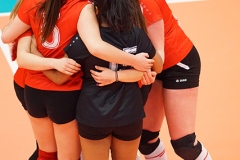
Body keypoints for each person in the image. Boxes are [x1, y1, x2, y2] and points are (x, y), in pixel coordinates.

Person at [2, 0, 155, 160]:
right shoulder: (83, 8)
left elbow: (7, 37)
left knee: (46, 153)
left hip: (31, 87)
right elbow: (95, 46)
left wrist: (30, 41)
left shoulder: (33, 2)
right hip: (66, 93)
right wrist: (134, 62)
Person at [63, 0, 163, 159]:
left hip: (93, 113)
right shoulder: (136, 34)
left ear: (97, 10)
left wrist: (33, 53)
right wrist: (137, 65)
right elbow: (157, 66)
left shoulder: (86, 40)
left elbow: (61, 76)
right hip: (129, 113)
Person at [138, 0, 212, 160]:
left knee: (185, 145)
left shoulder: (145, 3)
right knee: (145, 140)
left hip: (179, 63)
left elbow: (159, 53)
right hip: (153, 64)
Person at [9, 1, 38, 159]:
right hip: (34, 84)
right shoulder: (33, 5)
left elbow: (8, 34)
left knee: (47, 147)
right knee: (49, 148)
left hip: (27, 84)